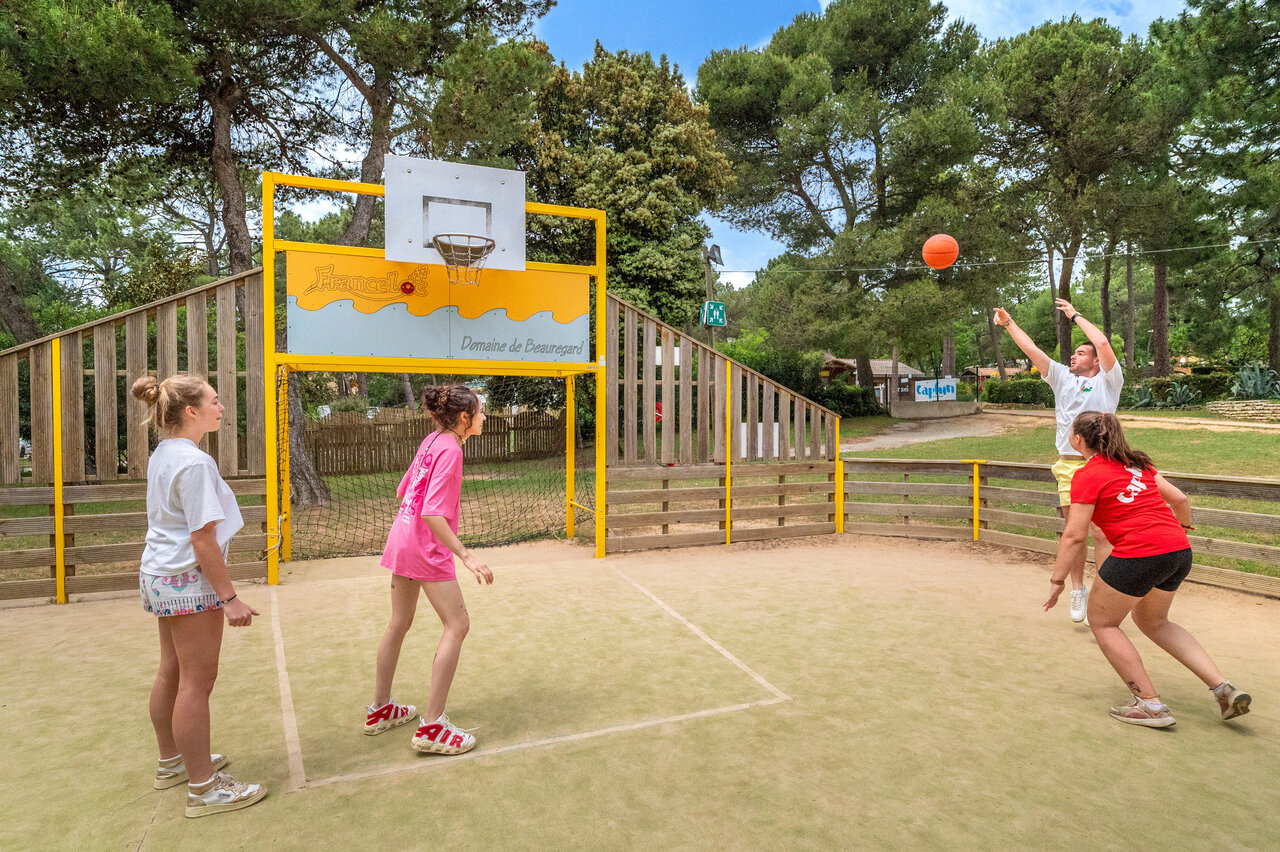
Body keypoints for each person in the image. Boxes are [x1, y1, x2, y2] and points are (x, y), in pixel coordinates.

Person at [1044, 411, 1251, 728]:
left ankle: (1151, 706)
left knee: (1102, 622)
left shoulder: (1086, 474)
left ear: (1078, 440)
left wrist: (1058, 580)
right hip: (1178, 550)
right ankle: (1223, 688)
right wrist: (1180, 528)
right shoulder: (1138, 464)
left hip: (1140, 553)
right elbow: (1179, 499)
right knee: (1153, 621)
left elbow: (1074, 534)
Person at [132, 375, 267, 818]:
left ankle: (172, 762)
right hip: (187, 581)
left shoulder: (166, 452)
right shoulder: (193, 463)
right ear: (190, 411)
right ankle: (204, 790)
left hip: (160, 574)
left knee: (172, 670)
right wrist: (230, 599)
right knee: (197, 682)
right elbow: (203, 539)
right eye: (214, 400)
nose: (221, 406)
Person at [367, 384, 494, 754]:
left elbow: (401, 491)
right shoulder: (451, 450)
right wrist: (467, 556)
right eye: (481, 411)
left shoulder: (431, 440)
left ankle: (380, 709)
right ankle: (433, 726)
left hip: (402, 539)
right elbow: (433, 512)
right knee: (458, 624)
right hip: (424, 547)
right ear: (465, 418)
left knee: (398, 624)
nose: (485, 417)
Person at [994, 298, 1122, 623]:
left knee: (1102, 534)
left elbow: (1103, 342)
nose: (1073, 357)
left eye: (1080, 353)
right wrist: (1008, 323)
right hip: (1068, 466)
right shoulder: (1062, 377)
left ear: (1094, 361)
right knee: (1074, 531)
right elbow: (1032, 351)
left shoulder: (1108, 382)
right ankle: (1077, 588)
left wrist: (1075, 315)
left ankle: (1105, 591)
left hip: (1102, 464)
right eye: (1074, 353)